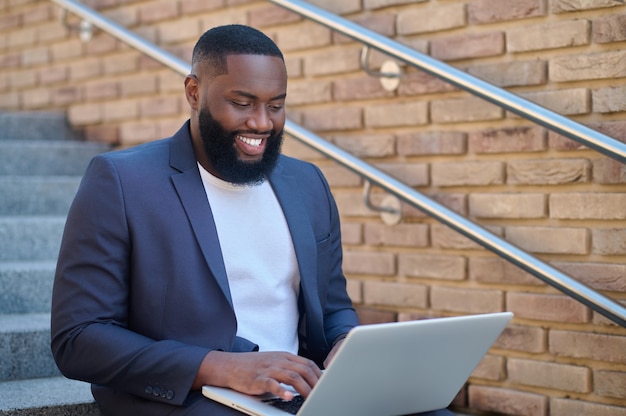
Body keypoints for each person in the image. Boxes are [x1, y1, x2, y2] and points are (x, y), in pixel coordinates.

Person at [50, 24, 453, 416]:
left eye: (275, 106)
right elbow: (78, 338)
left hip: (299, 392)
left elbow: (332, 308)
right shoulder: (121, 181)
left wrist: (348, 344)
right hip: (192, 398)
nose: (262, 123)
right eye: (242, 103)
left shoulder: (307, 183)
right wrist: (220, 366)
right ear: (194, 92)